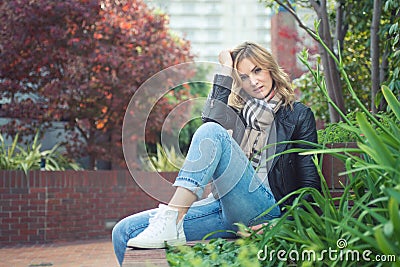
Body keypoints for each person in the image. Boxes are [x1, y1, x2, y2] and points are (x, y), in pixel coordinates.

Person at [112, 41, 320, 265]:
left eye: (257, 70)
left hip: (265, 211)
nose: (254, 81)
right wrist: (225, 71)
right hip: (223, 207)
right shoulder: (237, 113)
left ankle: (172, 217)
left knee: (212, 131)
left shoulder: (298, 115)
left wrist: (281, 224)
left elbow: (310, 186)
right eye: (244, 77)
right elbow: (209, 127)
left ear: (270, 68)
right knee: (124, 232)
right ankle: (172, 219)